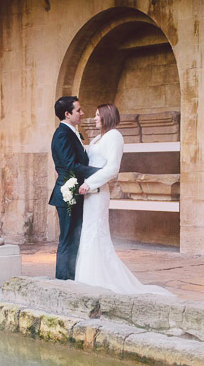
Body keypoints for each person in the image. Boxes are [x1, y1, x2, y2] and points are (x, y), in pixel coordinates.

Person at [75, 104, 175, 297]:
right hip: (88, 190)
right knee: (87, 232)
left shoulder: (114, 136)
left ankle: (100, 280)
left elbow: (112, 167)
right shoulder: (97, 138)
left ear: (107, 116)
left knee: (96, 232)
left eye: (97, 115)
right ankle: (86, 277)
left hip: (97, 190)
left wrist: (90, 183)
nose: (94, 119)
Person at [50, 96, 99, 280]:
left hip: (73, 192)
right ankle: (63, 281)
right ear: (67, 114)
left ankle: (71, 278)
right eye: (78, 110)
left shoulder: (71, 132)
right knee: (68, 239)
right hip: (67, 194)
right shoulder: (63, 134)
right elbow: (70, 166)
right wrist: (100, 172)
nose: (82, 113)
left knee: (74, 238)